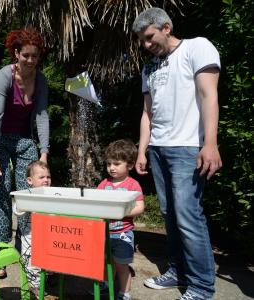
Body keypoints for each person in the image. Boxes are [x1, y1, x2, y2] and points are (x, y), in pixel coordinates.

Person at [132, 7, 222, 300]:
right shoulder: (149, 68)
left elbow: (209, 96)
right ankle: (178, 272)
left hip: (187, 147)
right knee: (170, 216)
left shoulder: (198, 47)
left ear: (166, 27)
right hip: (157, 148)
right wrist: (142, 150)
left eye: (149, 37)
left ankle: (201, 287)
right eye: (142, 41)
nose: (146, 45)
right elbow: (147, 113)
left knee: (187, 216)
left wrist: (210, 144)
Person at [0, 27, 50, 278]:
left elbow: (42, 116)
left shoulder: (40, 80)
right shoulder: (4, 76)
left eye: (35, 56)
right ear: (16, 53)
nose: (31, 61)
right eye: (26, 55)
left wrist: (43, 153)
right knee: (0, 192)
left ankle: (28, 251)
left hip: (23, 139)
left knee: (29, 193)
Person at [96, 139, 145, 300]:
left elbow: (139, 207)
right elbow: (96, 202)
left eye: (116, 164)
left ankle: (124, 293)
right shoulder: (104, 184)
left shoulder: (133, 185)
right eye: (109, 164)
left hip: (123, 233)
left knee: (122, 266)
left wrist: (121, 212)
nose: (111, 168)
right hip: (105, 233)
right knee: (106, 263)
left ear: (129, 165)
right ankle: (106, 284)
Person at [13, 160, 51, 296]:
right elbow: (17, 210)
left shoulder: (52, 194)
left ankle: (46, 279)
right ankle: (35, 288)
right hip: (31, 239)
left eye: (48, 177)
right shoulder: (27, 194)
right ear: (30, 180)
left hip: (48, 236)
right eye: (41, 177)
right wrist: (21, 205)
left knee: (48, 262)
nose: (46, 180)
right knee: (32, 264)